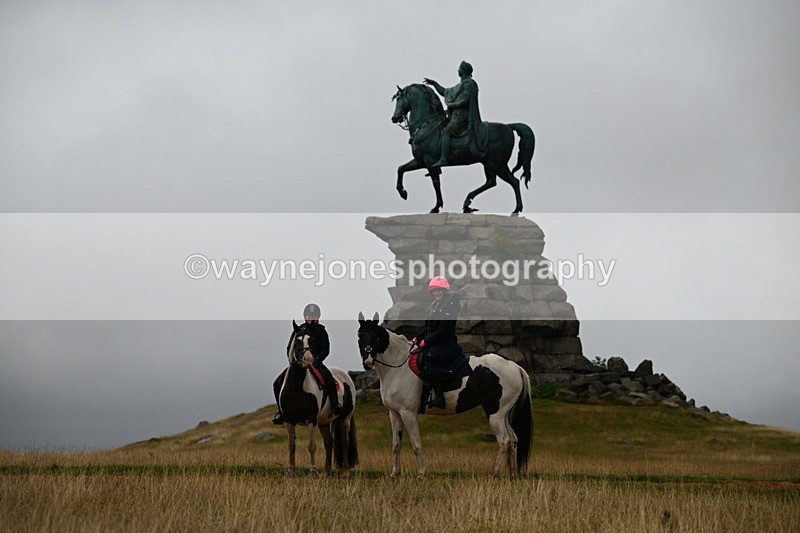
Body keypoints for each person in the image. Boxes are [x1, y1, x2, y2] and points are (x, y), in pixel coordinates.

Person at [272, 303, 342, 425]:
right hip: (298, 364)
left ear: (318, 317)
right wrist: (295, 360)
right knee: (276, 383)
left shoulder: (321, 330)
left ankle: (335, 404)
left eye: (314, 315)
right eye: (309, 315)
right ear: (305, 317)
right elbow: (290, 347)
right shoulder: (298, 330)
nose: (311, 317)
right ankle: (281, 412)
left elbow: (326, 349)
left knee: (328, 377)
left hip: (316, 363)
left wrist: (317, 360)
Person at [410, 276, 472, 409]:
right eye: (434, 291)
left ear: (444, 290)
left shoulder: (450, 306)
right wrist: (417, 338)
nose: (436, 293)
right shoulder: (434, 305)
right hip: (436, 342)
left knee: (427, 359)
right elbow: (428, 328)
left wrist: (426, 341)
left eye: (438, 290)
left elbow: (444, 330)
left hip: (446, 344)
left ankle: (439, 398)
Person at [423, 60, 488, 167]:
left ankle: (443, 159)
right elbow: (445, 92)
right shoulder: (459, 86)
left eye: (459, 68)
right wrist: (434, 84)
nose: (458, 70)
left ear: (463, 71)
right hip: (456, 116)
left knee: (446, 131)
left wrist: (452, 105)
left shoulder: (469, 84)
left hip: (463, 117)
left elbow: (466, 101)